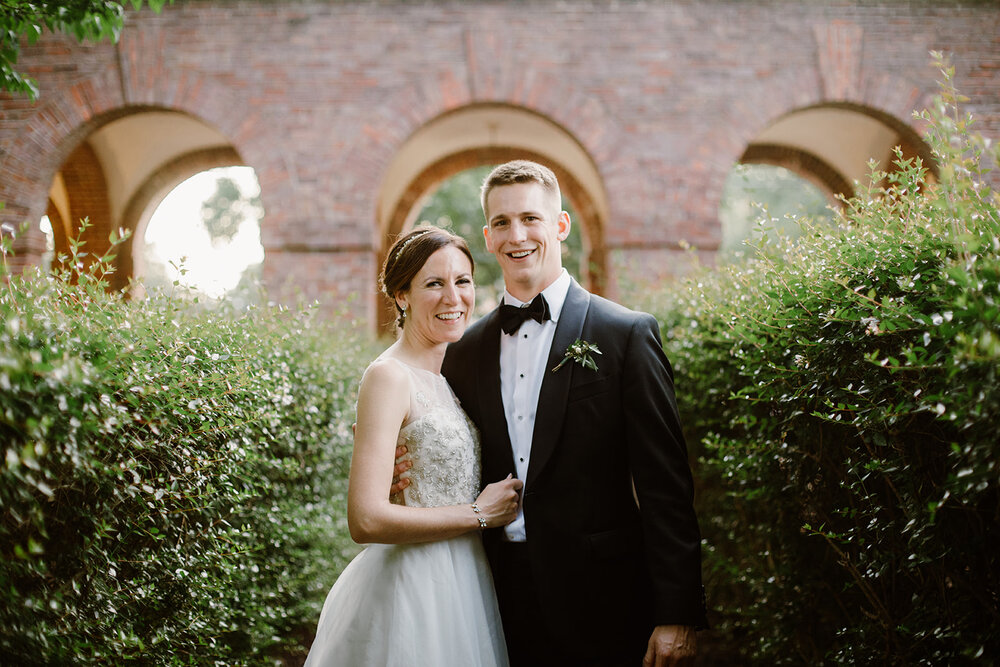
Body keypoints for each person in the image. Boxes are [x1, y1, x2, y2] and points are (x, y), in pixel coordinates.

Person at [438, 160, 708, 666]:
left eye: (530, 218)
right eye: (501, 223)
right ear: (488, 239)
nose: (516, 235)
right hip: (492, 599)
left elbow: (665, 484)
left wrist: (678, 610)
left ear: (560, 225)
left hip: (604, 599)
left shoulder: (625, 334)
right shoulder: (464, 350)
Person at [303, 226, 522, 667]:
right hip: (412, 584)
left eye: (462, 281)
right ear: (402, 295)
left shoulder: (447, 377)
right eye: (434, 284)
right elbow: (365, 519)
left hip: (465, 577)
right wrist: (480, 514)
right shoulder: (388, 377)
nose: (453, 298)